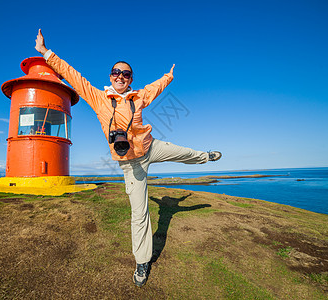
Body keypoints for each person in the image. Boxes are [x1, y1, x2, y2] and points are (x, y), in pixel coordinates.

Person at [35, 29, 222, 287]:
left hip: (150, 146)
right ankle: (142, 262)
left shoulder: (138, 96)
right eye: (116, 72)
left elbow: (155, 88)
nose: (120, 76)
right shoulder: (99, 98)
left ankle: (206, 157)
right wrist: (46, 53)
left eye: (125, 73)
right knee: (139, 213)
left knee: (183, 152)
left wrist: (168, 76)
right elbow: (73, 76)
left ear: (131, 78)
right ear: (110, 77)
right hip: (130, 163)